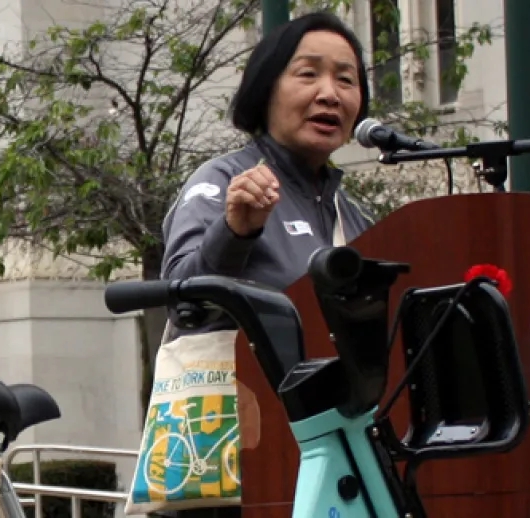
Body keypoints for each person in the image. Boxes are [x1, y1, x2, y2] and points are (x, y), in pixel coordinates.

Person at [157, 11, 377, 518]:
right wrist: (236, 228)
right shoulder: (222, 181)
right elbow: (183, 300)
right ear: (265, 90)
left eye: (346, 79)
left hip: (336, 462)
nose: (330, 93)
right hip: (239, 465)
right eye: (308, 74)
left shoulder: (352, 213)